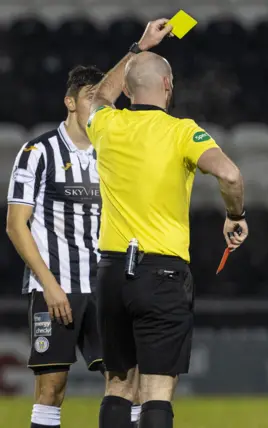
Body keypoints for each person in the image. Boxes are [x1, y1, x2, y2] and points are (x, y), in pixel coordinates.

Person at [85, 19, 247, 428]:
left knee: (118, 385)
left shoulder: (107, 125)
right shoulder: (182, 132)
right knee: (157, 390)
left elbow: (98, 95)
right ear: (168, 87)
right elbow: (230, 176)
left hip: (111, 271)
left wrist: (138, 46)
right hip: (162, 273)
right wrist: (235, 215)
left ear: (127, 89)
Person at [5, 66, 141, 428]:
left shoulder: (112, 153)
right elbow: (16, 225)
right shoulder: (38, 151)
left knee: (125, 382)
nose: (96, 107)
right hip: (55, 287)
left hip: (105, 286)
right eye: (88, 99)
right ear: (70, 102)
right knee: (52, 387)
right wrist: (49, 285)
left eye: (101, 100)